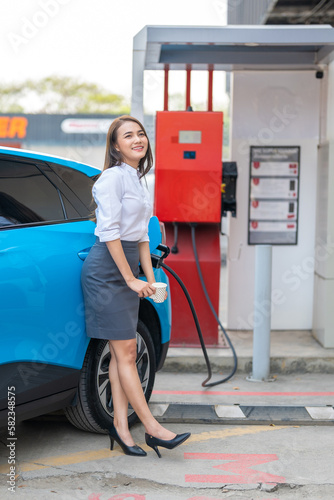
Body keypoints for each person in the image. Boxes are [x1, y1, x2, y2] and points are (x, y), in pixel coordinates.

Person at [81, 115, 190, 458]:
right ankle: (153, 429)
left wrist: (151, 277)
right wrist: (129, 278)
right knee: (125, 351)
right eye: (128, 136)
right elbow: (110, 232)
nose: (137, 139)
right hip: (106, 271)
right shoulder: (111, 179)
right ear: (115, 146)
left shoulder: (139, 180)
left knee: (121, 353)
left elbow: (142, 237)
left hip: (127, 267)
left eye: (140, 134)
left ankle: (121, 427)